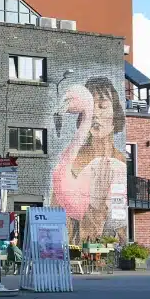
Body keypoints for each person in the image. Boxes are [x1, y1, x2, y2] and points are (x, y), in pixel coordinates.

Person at [52, 77, 126, 243]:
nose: (95, 114)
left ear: (115, 113)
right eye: (91, 107)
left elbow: (119, 224)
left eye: (102, 106)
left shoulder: (118, 163)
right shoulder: (71, 162)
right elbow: (59, 223)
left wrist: (98, 207)